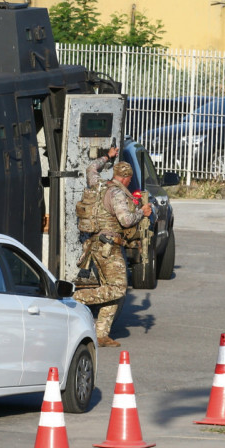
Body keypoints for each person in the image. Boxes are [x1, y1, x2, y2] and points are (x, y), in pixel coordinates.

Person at [73, 146, 151, 347]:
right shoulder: (117, 193)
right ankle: (76, 298)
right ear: (126, 178)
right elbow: (125, 220)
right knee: (118, 288)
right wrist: (142, 212)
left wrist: (107, 156)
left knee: (111, 286)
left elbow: (91, 168)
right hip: (109, 246)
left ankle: (101, 333)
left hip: (95, 244)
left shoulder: (98, 184)